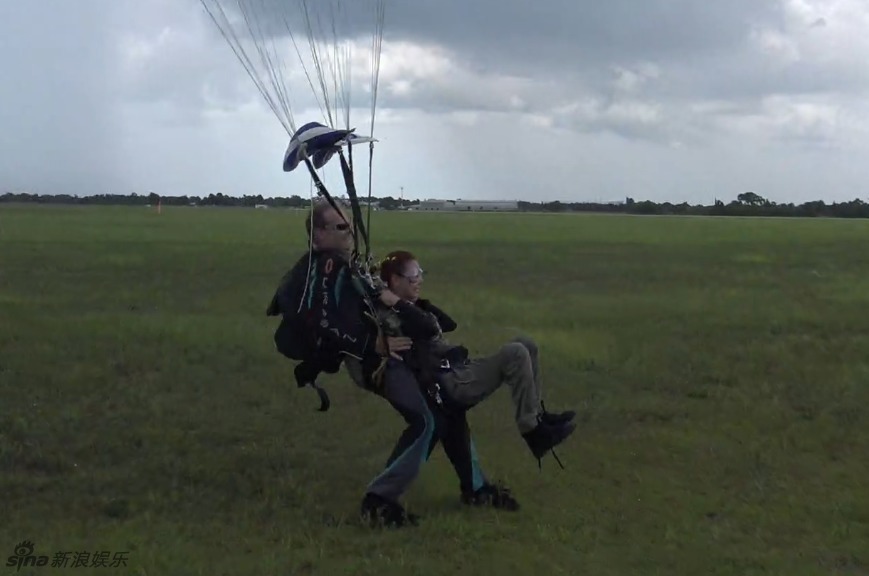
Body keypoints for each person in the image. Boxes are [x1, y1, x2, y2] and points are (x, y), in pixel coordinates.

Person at [374, 250, 577, 469]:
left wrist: (414, 302)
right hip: (448, 384)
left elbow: (449, 323)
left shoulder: (408, 308)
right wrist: (398, 302)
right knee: (516, 353)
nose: (420, 280)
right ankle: (532, 431)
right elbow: (428, 327)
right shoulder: (393, 315)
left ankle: (539, 417)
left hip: (457, 371)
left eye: (420, 273)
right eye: (414, 275)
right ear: (395, 280)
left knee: (527, 344)